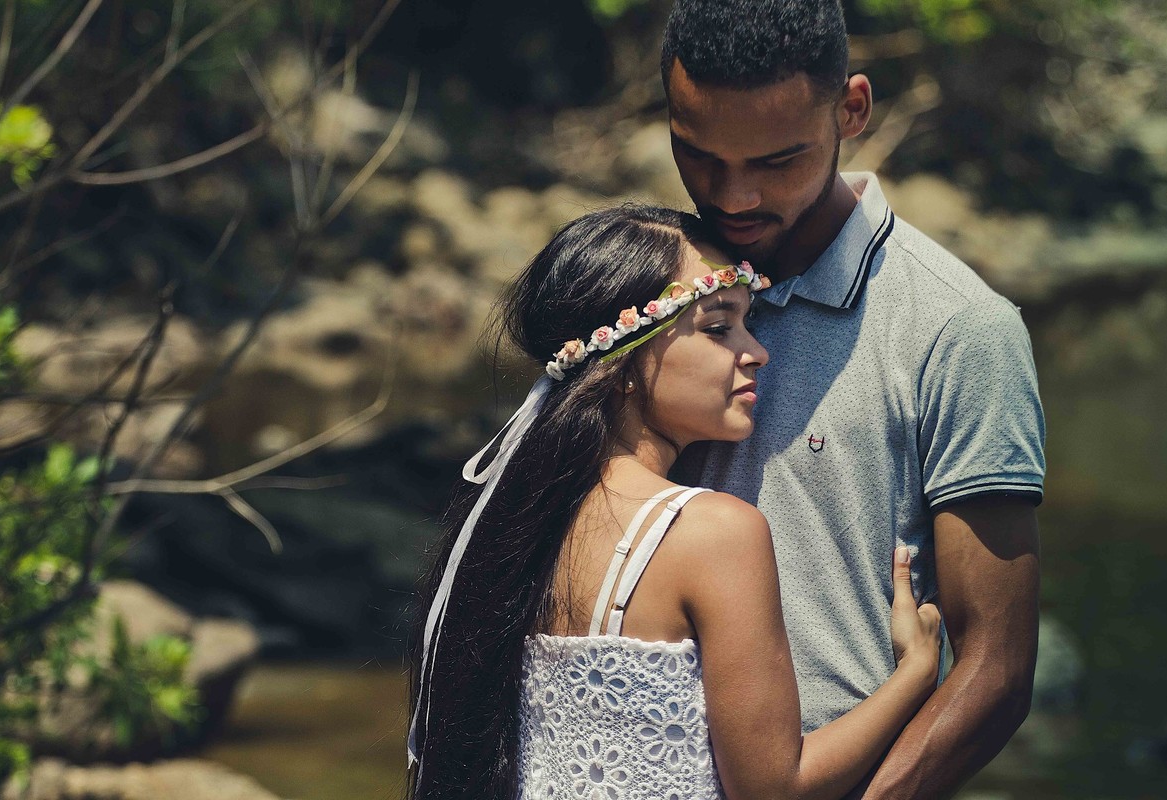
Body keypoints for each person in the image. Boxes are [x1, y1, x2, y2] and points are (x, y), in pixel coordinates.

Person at [406, 204, 942, 799]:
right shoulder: (711, 532)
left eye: (747, 324)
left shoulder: (514, 518)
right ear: (625, 363)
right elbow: (774, 790)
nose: (757, 352)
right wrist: (916, 675)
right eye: (718, 328)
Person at [661, 1, 1047, 797]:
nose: (731, 198)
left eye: (775, 162)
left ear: (853, 110)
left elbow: (996, 668)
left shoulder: (960, 330)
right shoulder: (647, 292)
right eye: (697, 155)